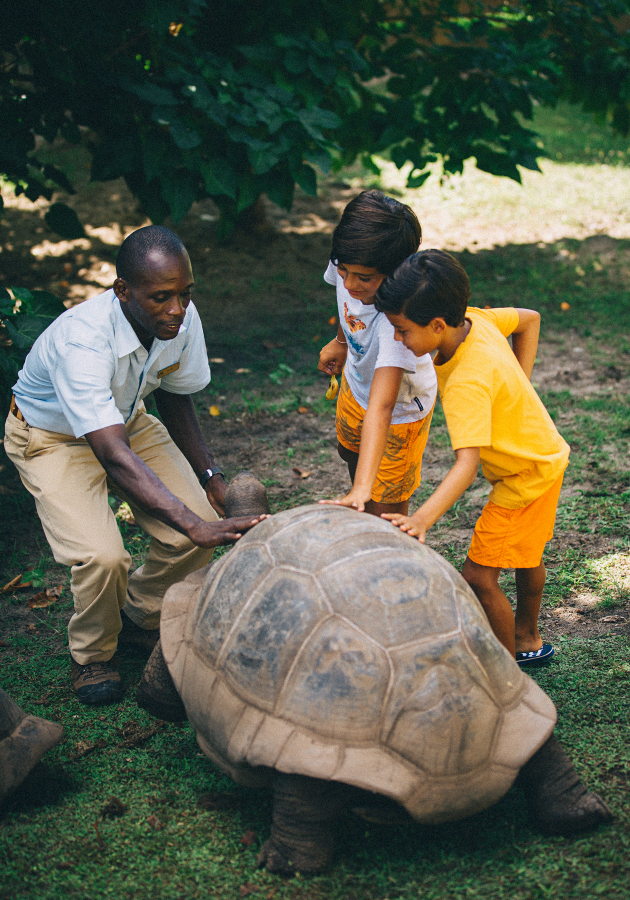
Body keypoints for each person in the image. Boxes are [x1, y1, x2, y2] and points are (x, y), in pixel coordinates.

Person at [4, 225, 265, 705]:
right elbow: (113, 456)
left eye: (186, 294)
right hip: (52, 437)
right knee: (103, 557)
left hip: (125, 419)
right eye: (162, 297)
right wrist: (186, 521)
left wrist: (209, 477)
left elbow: (174, 393)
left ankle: (137, 617)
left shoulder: (179, 317)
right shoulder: (82, 341)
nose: (177, 310)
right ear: (122, 291)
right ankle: (93, 654)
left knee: (204, 523)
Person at [375, 249, 570, 665]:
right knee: (527, 553)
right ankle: (527, 636)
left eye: (402, 330)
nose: (397, 339)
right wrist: (519, 382)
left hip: (524, 478)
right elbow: (530, 318)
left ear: (437, 325)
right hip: (546, 455)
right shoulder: (477, 320)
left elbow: (466, 464)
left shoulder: (466, 381)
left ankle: (506, 671)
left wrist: (421, 518)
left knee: (479, 577)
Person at [318, 190, 437, 518]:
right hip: (356, 384)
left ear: (397, 272)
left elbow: (382, 407)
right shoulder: (350, 263)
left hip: (398, 411)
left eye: (364, 278)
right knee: (350, 453)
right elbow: (346, 302)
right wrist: (341, 342)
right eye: (344, 271)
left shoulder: (397, 324)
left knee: (386, 515)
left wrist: (360, 489)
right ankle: (364, 492)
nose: (350, 283)